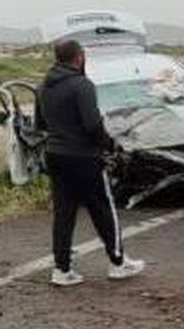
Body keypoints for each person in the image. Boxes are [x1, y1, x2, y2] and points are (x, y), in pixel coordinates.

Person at [35, 39, 146, 286]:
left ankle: (62, 269)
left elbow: (40, 124)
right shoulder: (82, 85)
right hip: (84, 157)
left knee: (63, 213)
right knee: (103, 209)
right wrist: (110, 145)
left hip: (55, 155)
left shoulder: (43, 86)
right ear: (79, 57)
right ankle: (118, 263)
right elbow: (93, 124)